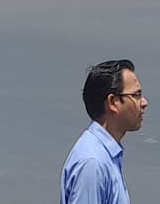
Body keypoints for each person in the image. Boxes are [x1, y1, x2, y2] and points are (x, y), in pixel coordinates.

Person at [62, 58, 145, 204]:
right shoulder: (92, 163)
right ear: (113, 102)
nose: (144, 102)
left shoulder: (106, 155)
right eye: (136, 95)